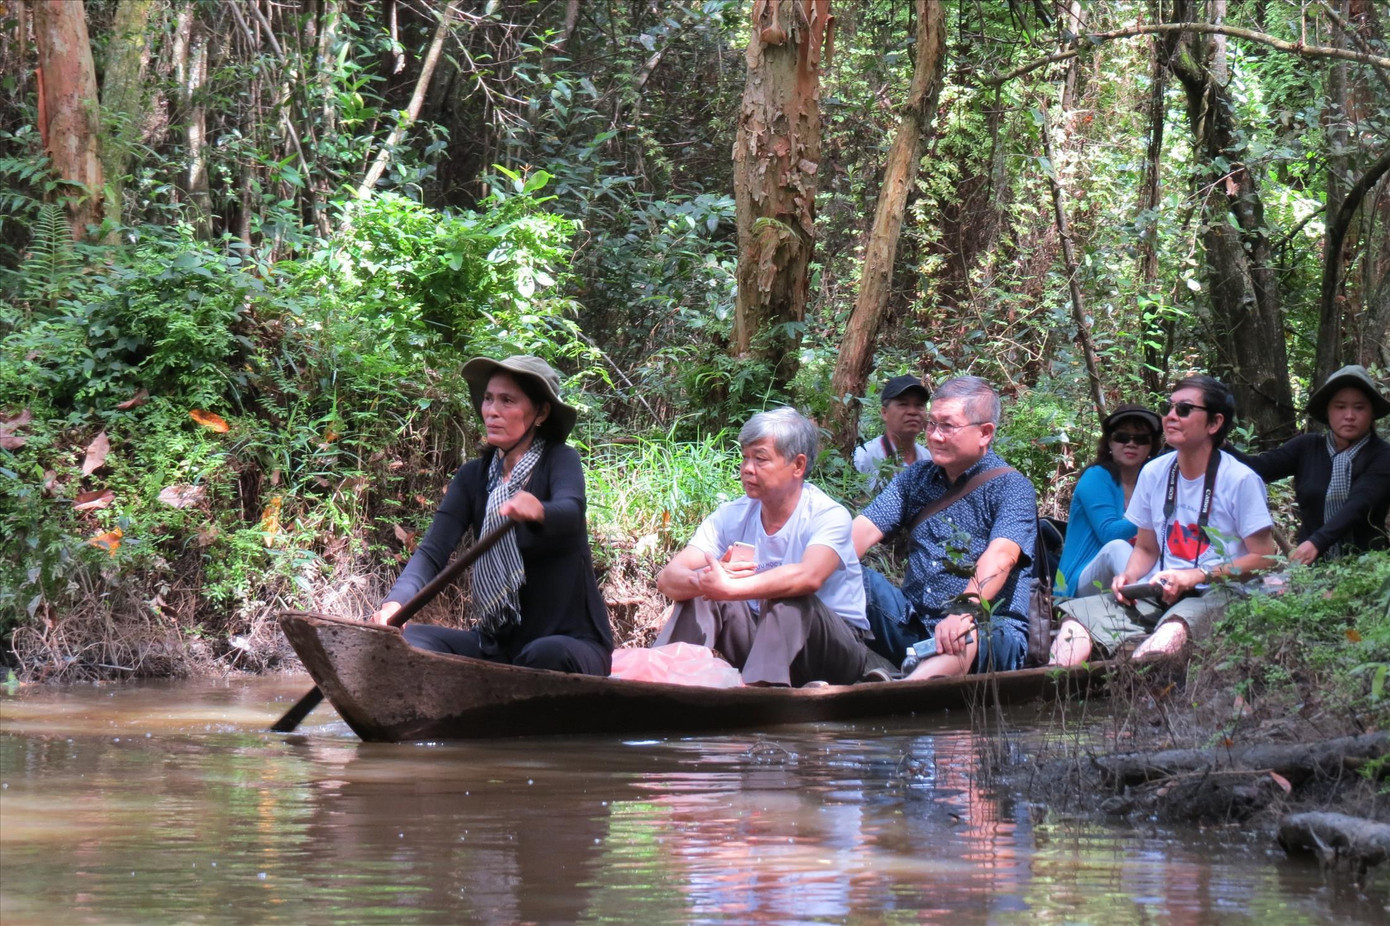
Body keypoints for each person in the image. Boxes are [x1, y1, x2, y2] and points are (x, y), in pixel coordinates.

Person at [370, 356, 612, 676]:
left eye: (507, 400)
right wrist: (394, 604)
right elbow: (431, 553)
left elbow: (571, 510)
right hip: (497, 646)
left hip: (571, 643)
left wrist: (540, 510)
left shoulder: (560, 460)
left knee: (543, 654)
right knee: (405, 642)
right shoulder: (474, 476)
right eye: (488, 398)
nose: (492, 411)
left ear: (541, 413)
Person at [652, 407, 895, 687]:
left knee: (789, 598)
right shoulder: (731, 516)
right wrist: (706, 582)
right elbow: (668, 578)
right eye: (744, 457)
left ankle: (762, 696)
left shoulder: (828, 515)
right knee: (701, 592)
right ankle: (665, 683)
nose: (747, 468)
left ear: (798, 465)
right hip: (761, 640)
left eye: (760, 459)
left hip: (833, 649)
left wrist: (731, 587)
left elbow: (809, 576)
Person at [1050, 375, 1277, 666]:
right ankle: (1054, 687)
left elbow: (1265, 558)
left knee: (1170, 632)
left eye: (1184, 409)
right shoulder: (1154, 473)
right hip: (1159, 592)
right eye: (1169, 407)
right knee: (1076, 621)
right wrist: (1129, 576)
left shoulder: (1240, 480)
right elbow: (1146, 548)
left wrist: (1199, 575)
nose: (1171, 416)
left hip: (1218, 593)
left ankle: (1139, 691)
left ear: (1214, 423)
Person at [852, 376, 1039, 679]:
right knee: (839, 571)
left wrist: (963, 610)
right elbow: (861, 532)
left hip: (986, 631)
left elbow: (1002, 555)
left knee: (966, 632)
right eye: (932, 424)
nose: (935, 436)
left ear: (985, 433)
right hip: (916, 628)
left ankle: (900, 692)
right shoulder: (915, 478)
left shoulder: (1012, 487)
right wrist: (809, 569)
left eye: (948, 426)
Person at [1231, 364, 1390, 563]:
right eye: (1340, 407)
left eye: (1359, 407)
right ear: (1327, 411)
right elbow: (1257, 469)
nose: (1349, 416)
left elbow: (1358, 505)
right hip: (1311, 569)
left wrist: (1317, 542)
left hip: (1370, 568)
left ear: (1372, 412)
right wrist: (1219, 443)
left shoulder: (1382, 455)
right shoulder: (1307, 447)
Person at [1054, 403, 1163, 597]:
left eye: (1141, 439)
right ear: (1110, 443)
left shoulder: (1153, 482)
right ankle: (1151, 601)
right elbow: (1109, 533)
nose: (1131, 444)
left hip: (1129, 573)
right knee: (1116, 547)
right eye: (1122, 437)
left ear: (1151, 446)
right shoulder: (1096, 476)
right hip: (1079, 581)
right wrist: (1155, 512)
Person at [853, 375, 930, 493]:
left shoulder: (928, 459)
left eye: (919, 405)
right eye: (903, 404)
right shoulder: (863, 457)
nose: (913, 411)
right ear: (885, 413)